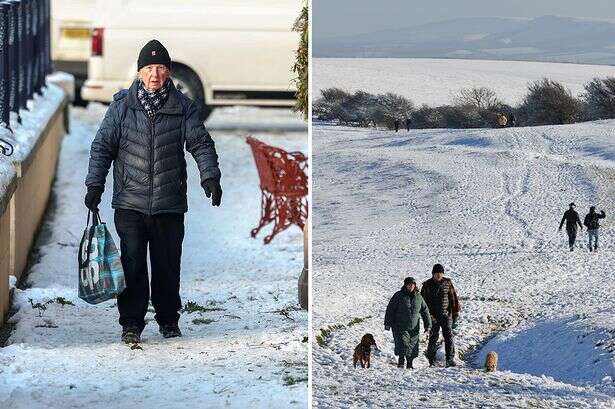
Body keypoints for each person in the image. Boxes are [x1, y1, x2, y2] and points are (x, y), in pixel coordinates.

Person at [84, 39, 222, 344]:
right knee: (132, 264)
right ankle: (131, 323)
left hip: (168, 203)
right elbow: (102, 147)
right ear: (139, 73)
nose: (155, 74)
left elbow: (200, 144)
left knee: (167, 264)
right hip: (130, 202)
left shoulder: (183, 107)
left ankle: (168, 319)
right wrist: (95, 184)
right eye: (149, 68)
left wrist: (210, 176)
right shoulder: (121, 106)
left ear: (169, 73)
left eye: (161, 68)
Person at [384, 277, 431, 369]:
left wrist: (428, 325)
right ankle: (401, 362)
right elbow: (390, 309)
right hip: (400, 326)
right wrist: (387, 323)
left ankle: (410, 363)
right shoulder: (398, 295)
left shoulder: (419, 297)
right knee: (402, 343)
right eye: (409, 284)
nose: (411, 286)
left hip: (414, 327)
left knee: (412, 346)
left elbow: (425, 311)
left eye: (413, 284)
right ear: (405, 285)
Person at [421, 264, 460, 367]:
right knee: (433, 337)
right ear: (433, 274)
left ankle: (450, 359)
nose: (438, 275)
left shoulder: (447, 283)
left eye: (440, 273)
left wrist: (455, 313)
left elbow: (453, 298)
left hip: (446, 315)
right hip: (432, 316)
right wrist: (428, 316)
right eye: (436, 273)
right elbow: (423, 303)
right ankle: (431, 360)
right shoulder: (426, 285)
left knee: (449, 336)